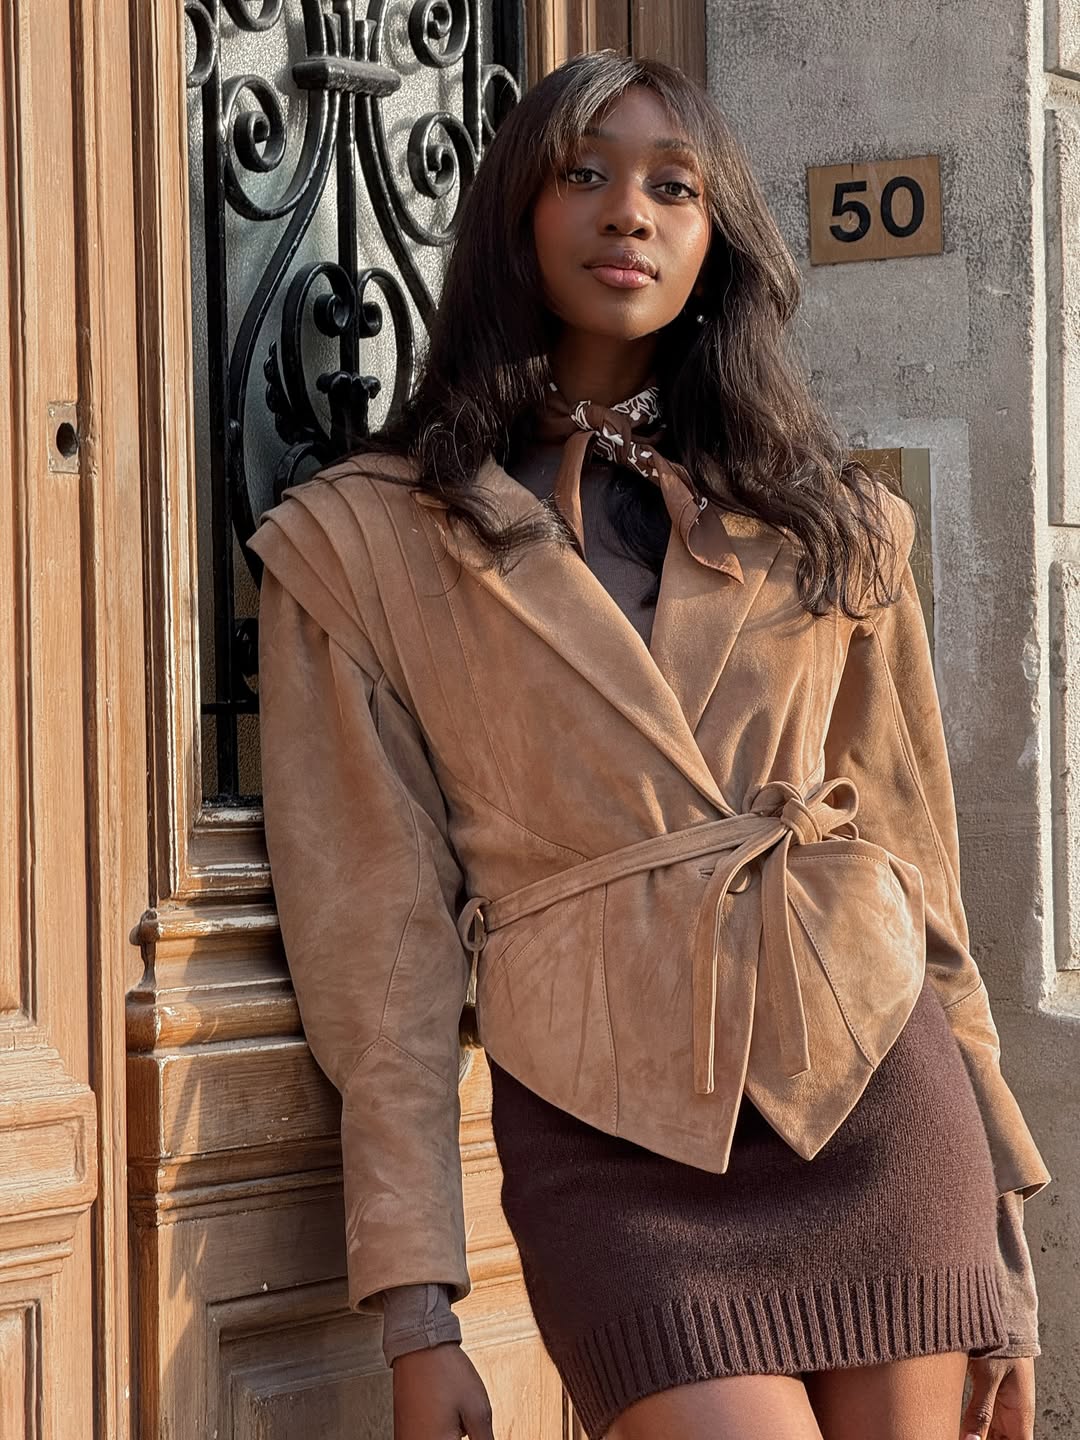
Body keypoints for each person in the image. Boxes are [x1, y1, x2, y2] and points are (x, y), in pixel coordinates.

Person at [248, 50, 1051, 1440]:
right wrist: (416, 1307)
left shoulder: (834, 523)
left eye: (673, 187)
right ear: (514, 214)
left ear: (715, 237)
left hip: (871, 1097)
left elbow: (921, 886)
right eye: (585, 174)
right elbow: (380, 941)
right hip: (609, 1127)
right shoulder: (365, 538)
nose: (631, 213)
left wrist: (1009, 1245)